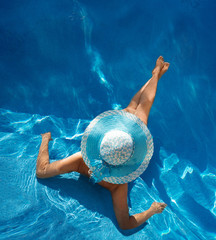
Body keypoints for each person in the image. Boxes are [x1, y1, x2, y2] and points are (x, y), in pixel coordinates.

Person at [36, 56, 170, 230]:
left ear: (98, 149)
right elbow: (125, 225)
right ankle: (155, 75)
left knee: (137, 106)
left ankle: (155, 76)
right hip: (123, 138)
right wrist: (150, 211)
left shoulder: (82, 161)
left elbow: (42, 171)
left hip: (120, 140)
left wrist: (45, 140)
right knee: (138, 106)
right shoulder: (119, 185)